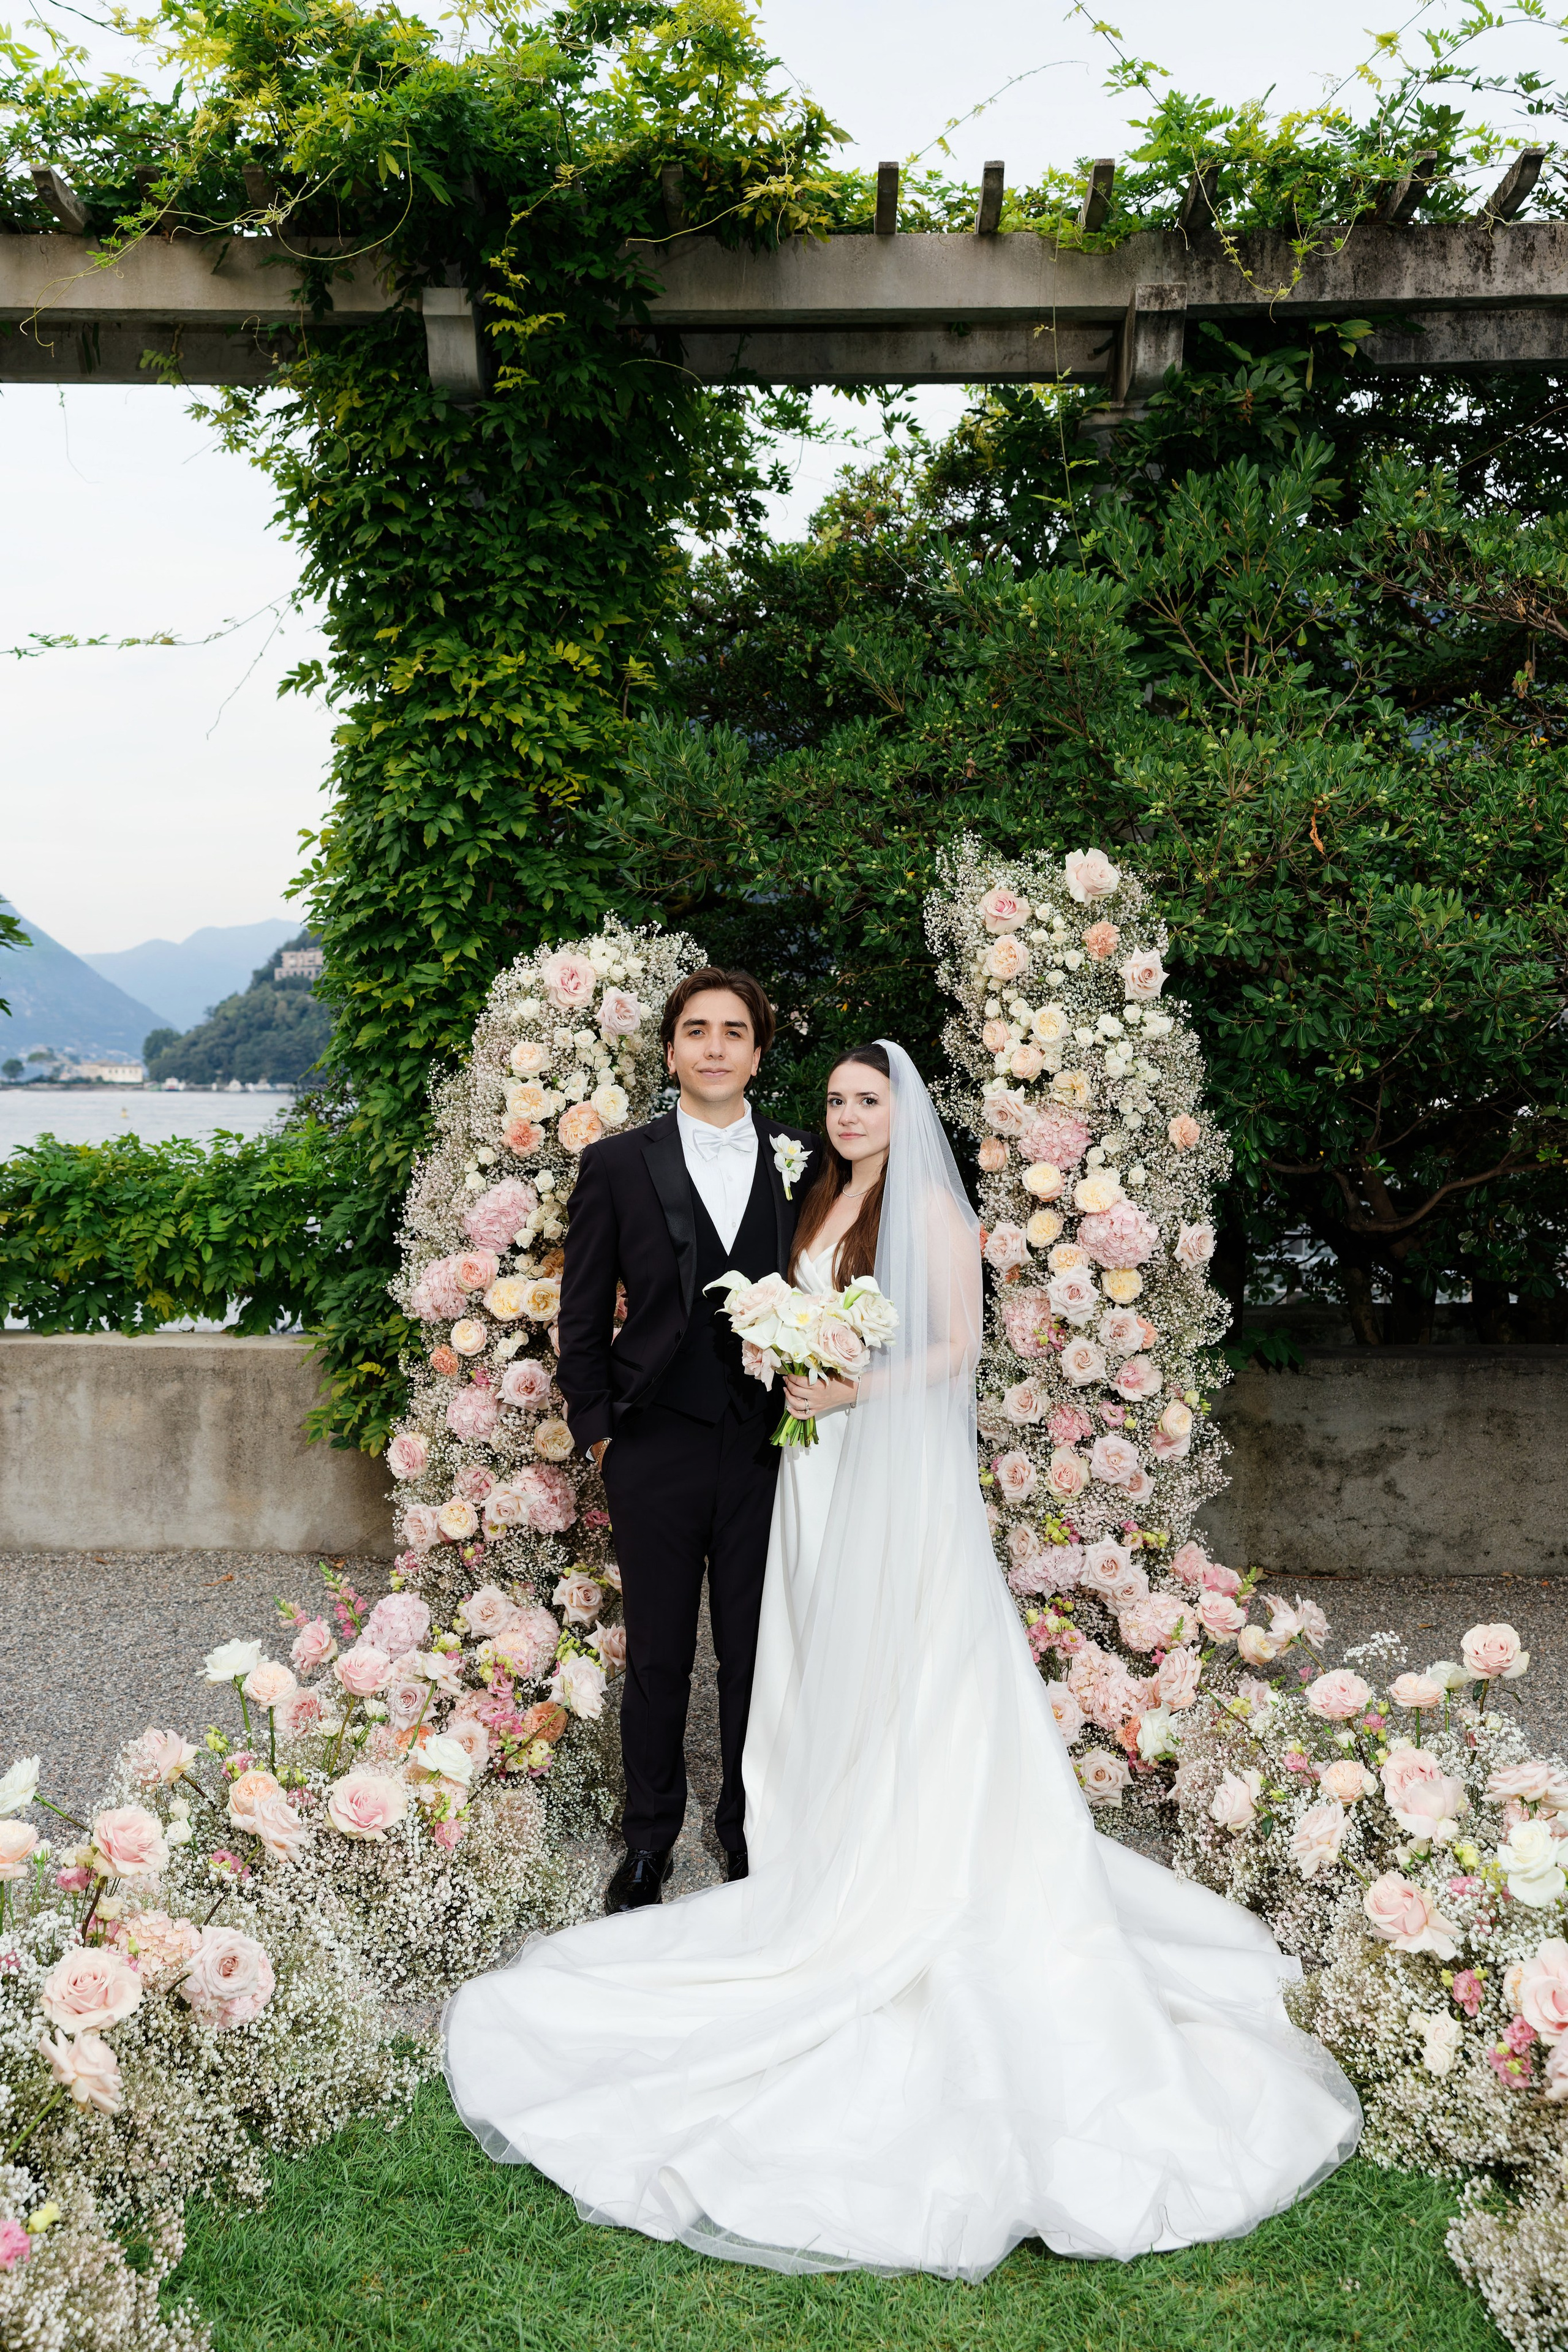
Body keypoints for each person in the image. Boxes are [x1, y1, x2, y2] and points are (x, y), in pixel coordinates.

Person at [447, 1041, 1362, 2277]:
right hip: (816, 1477)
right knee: (820, 1655)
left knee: (916, 1657)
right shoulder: (814, 1197)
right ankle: (815, 1830)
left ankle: (910, 1847)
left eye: (866, 1099)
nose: (846, 1114)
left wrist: (846, 1388)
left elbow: (955, 1350)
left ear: (903, 1111)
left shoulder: (927, 1205)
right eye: (832, 1100)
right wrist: (783, 1361)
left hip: (886, 1467)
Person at [555, 967, 818, 1911]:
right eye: (696, 1031)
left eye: (733, 1031)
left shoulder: (804, 1156)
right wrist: (600, 1437)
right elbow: (579, 1313)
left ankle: (752, 1829)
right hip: (655, 1442)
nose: (714, 1046)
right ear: (670, 1051)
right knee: (659, 1653)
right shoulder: (620, 1163)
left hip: (770, 1445)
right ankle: (648, 1841)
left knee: (758, 1651)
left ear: (758, 1050)